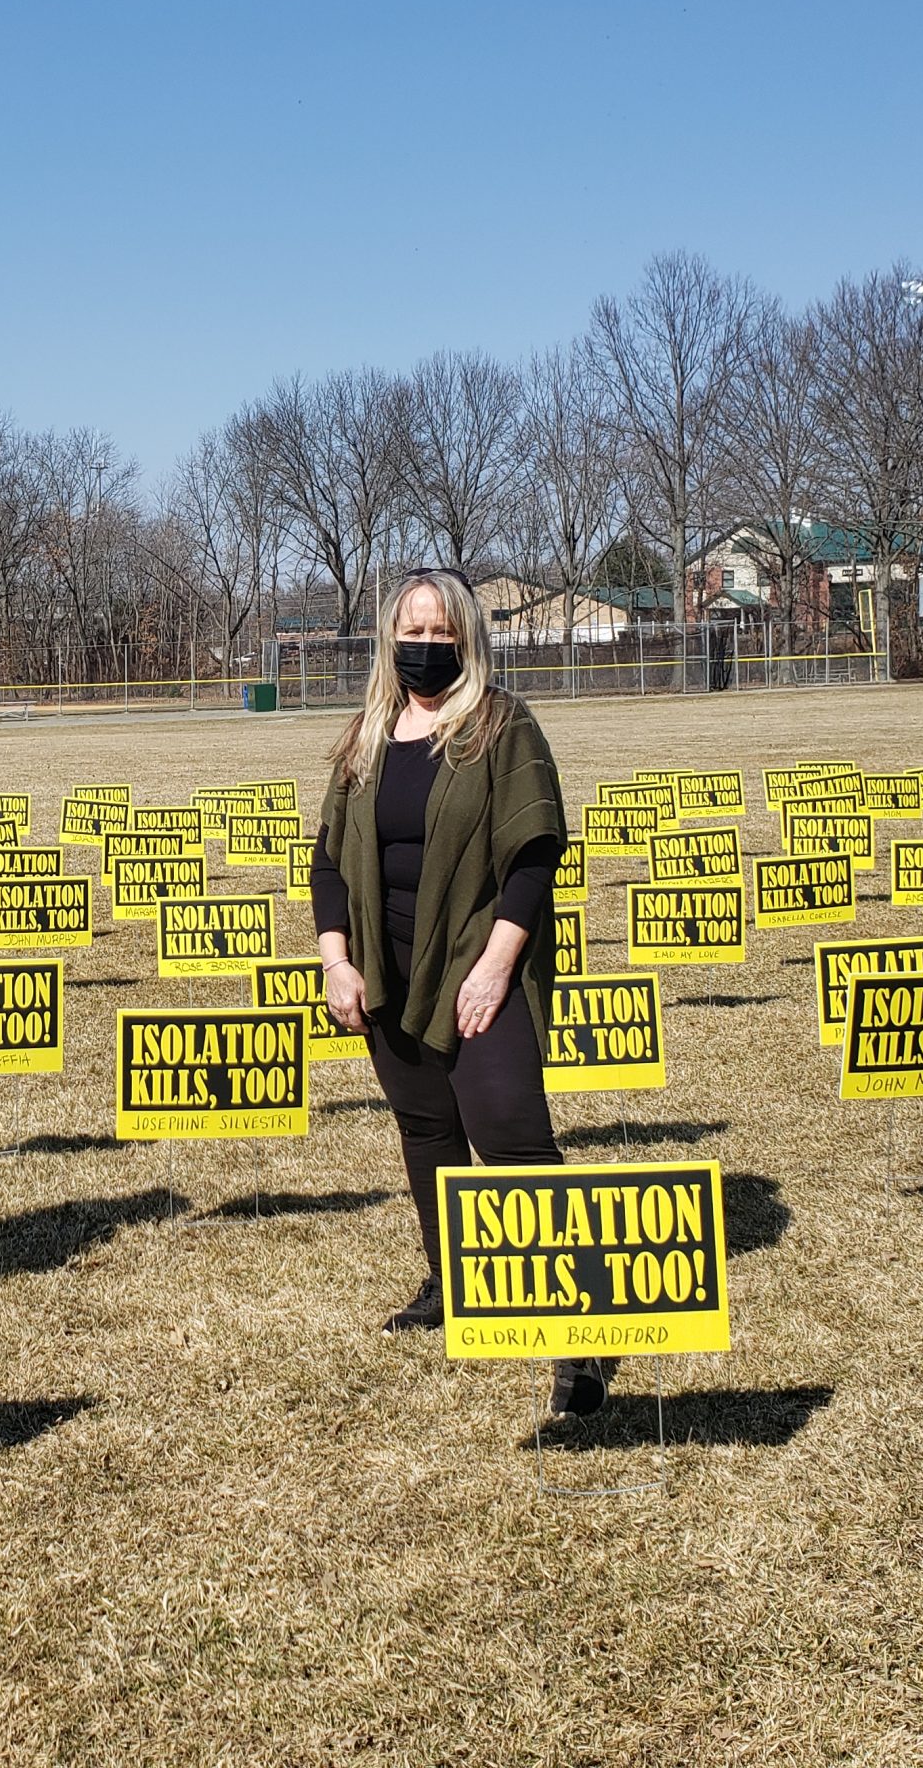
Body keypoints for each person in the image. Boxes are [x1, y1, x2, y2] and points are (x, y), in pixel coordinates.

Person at [310, 568, 611, 1417]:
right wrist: (338, 960)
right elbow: (329, 860)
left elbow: (534, 856)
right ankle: (451, 1279)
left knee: (510, 1135)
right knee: (426, 1128)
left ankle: (576, 1333)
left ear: (469, 638)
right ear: (388, 636)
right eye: (414, 630)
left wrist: (496, 965)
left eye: (444, 633)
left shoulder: (502, 726)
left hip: (481, 961)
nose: (427, 646)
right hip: (387, 967)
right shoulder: (367, 733)